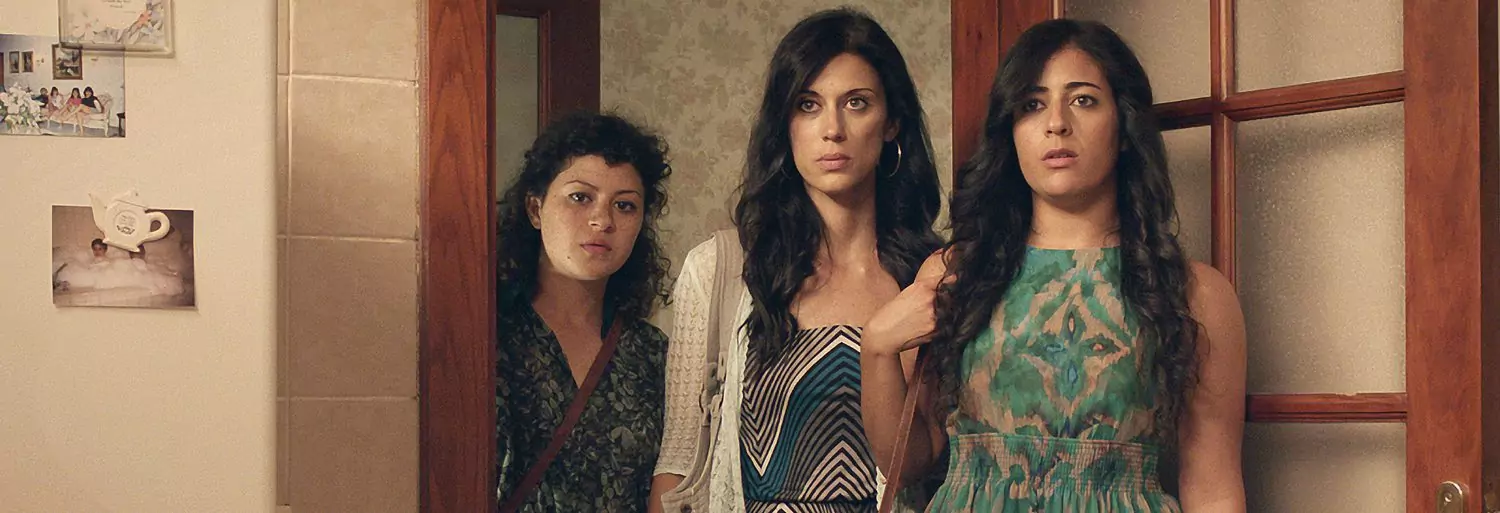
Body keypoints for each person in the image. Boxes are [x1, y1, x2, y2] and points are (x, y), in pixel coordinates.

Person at [861, 19, 1248, 512]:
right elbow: (910, 460)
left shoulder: (1194, 293)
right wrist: (876, 348)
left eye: (1083, 100)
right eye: (1032, 104)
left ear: (1124, 127)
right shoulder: (955, 274)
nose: (1056, 123)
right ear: (1011, 131)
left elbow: (1213, 486)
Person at [651, 7, 943, 512]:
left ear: (892, 123)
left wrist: (882, 344)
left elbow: (922, 463)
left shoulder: (928, 277)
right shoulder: (722, 270)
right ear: (784, 125)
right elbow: (678, 463)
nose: (832, 129)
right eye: (808, 105)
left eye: (856, 103)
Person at [495, 111, 675, 511]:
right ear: (535, 209)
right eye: (580, 197)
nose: (602, 220)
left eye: (624, 206)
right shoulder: (488, 337)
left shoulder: (651, 355)